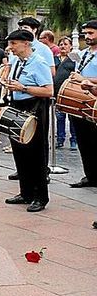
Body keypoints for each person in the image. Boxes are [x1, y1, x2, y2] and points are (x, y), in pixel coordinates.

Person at [1, 29, 52, 212]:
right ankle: (26, 192)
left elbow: (48, 91)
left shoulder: (38, 63)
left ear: (26, 44)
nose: (11, 48)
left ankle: (40, 197)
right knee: (19, 150)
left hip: (34, 107)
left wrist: (24, 88)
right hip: (17, 105)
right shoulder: (16, 61)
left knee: (35, 153)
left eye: (14, 44)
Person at [68, 19, 97, 188]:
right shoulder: (84, 53)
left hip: (94, 103)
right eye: (85, 33)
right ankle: (90, 175)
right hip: (80, 103)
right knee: (84, 142)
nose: (87, 36)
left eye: (91, 33)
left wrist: (85, 79)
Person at [53, 36, 77, 151]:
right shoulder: (54, 59)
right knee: (59, 117)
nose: (63, 46)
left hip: (70, 92)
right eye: (61, 44)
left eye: (65, 44)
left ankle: (74, 140)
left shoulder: (74, 58)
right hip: (58, 92)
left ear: (71, 46)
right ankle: (60, 139)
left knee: (72, 118)